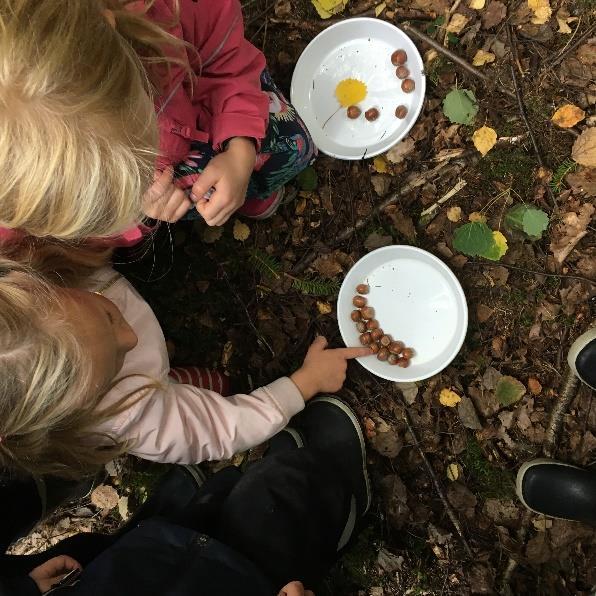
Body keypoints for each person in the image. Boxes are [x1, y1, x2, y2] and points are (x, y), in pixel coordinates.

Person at [0, 241, 371, 478]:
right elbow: (219, 429)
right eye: (113, 367)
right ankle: (172, 384)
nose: (130, 336)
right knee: (171, 397)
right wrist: (305, 383)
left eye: (109, 317)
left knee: (162, 382)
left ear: (37, 283)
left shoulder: (35, 262)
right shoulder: (130, 419)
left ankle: (170, 380)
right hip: (147, 396)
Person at [0, 0, 315, 243]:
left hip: (217, 102)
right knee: (198, 198)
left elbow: (227, 62)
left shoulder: (179, 13)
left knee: (289, 143)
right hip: (171, 179)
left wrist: (241, 149)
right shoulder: (33, 177)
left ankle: (253, 183)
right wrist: (141, 209)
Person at [0, 396, 370, 596]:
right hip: (244, 582)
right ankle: (344, 502)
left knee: (199, 514)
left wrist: (22, 591)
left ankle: (171, 523)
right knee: (283, 495)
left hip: (132, 569)